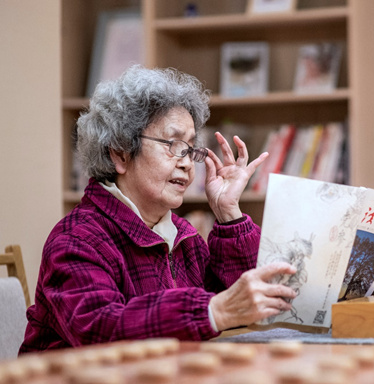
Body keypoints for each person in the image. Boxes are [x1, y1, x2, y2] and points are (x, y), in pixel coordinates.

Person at [20, 65, 297, 352]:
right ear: (121, 153)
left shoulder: (184, 236)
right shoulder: (76, 239)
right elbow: (102, 330)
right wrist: (213, 311)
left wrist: (229, 214)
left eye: (190, 149)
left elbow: (242, 309)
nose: (187, 163)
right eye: (173, 144)